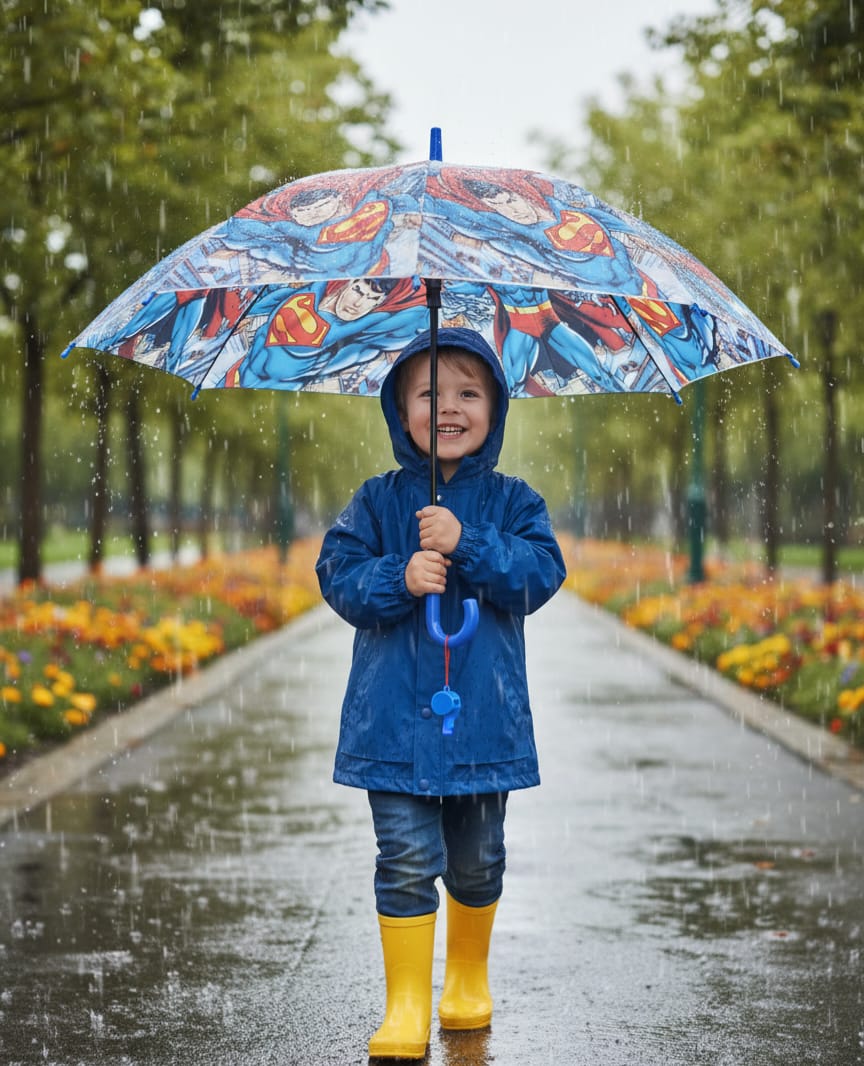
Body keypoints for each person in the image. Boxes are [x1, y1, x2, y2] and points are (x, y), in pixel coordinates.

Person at [315, 327, 566, 1060]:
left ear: (496, 407)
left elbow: (539, 576)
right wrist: (399, 576)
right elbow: (338, 575)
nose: (448, 407)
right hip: (390, 725)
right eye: (429, 394)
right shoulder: (376, 502)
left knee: (478, 858)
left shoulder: (514, 502)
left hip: (484, 725)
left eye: (468, 393)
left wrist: (468, 544)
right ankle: (404, 1004)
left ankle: (465, 977)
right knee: (401, 856)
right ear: (400, 409)